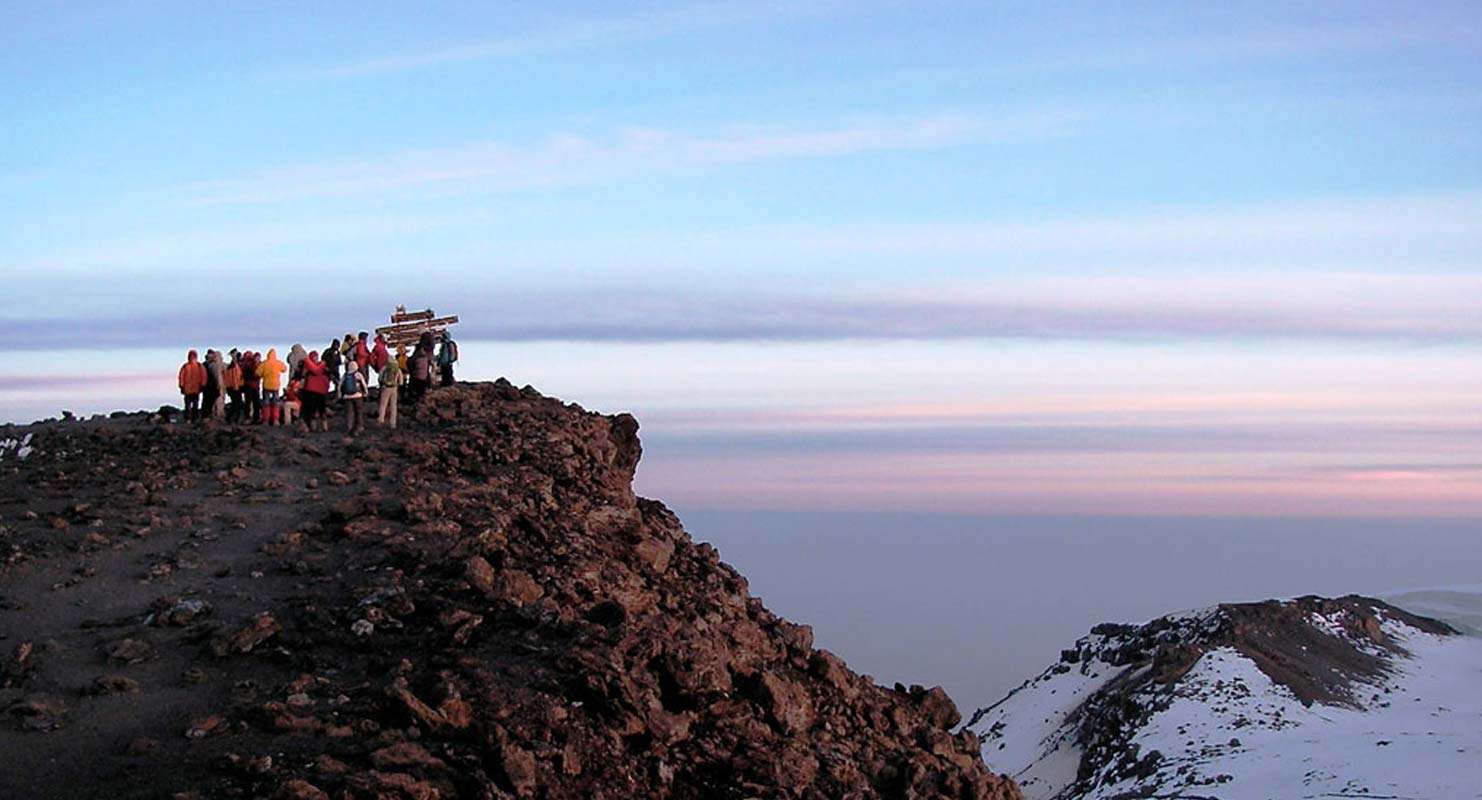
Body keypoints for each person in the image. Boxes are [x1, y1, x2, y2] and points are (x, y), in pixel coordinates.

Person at [300, 350, 331, 431]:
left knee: (314, 410)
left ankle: (315, 427)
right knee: (319, 410)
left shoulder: (309, 366)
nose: (315, 358)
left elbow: (315, 371)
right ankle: (323, 427)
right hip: (320, 391)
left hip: (312, 391)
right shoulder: (322, 365)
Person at [257, 348, 288, 424]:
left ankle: (266, 420)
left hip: (266, 385)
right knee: (276, 403)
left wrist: (264, 375)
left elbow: (257, 373)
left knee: (266, 403)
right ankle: (275, 420)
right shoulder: (278, 363)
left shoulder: (264, 363)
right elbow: (285, 369)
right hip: (276, 386)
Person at [177, 350, 207, 422]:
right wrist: (182, 386)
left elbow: (204, 376)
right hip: (189, 389)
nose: (192, 357)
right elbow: (181, 377)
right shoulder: (187, 366)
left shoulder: (198, 366)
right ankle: (190, 418)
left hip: (194, 389)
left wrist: (202, 385)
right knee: (190, 405)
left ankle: (192, 418)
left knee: (193, 405)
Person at [340, 360, 368, 435]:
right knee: (359, 412)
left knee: (349, 413)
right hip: (358, 395)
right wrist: (365, 393)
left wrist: (340, 395)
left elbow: (340, 385)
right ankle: (359, 427)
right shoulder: (358, 374)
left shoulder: (345, 375)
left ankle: (349, 427)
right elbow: (364, 384)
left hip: (347, 396)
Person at [407, 332, 434, 403]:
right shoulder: (430, 346)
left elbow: (411, 362)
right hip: (426, 365)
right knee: (426, 374)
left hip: (417, 374)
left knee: (417, 384)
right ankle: (427, 389)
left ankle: (415, 399)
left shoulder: (419, 352)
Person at [377, 354, 402, 428]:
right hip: (394, 388)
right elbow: (401, 380)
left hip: (386, 388)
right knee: (393, 405)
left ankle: (381, 420)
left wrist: (381, 384)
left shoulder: (385, 367)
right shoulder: (397, 368)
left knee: (383, 405)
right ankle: (393, 423)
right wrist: (399, 384)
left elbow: (380, 377)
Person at [240, 350, 262, 423]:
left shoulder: (245, 364)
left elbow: (244, 375)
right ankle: (255, 417)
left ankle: (249, 417)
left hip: (249, 385)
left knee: (249, 402)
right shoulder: (251, 365)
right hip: (253, 385)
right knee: (254, 402)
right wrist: (256, 376)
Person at [204, 350, 226, 420]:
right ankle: (216, 415)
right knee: (215, 401)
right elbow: (217, 376)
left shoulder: (206, 364)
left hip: (210, 386)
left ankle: (212, 415)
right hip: (214, 386)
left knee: (211, 401)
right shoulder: (214, 365)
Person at [223, 350, 244, 423]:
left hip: (234, 387)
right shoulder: (233, 366)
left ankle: (232, 418)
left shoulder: (232, 366)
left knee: (236, 403)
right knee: (236, 403)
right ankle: (232, 418)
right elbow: (235, 377)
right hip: (235, 387)